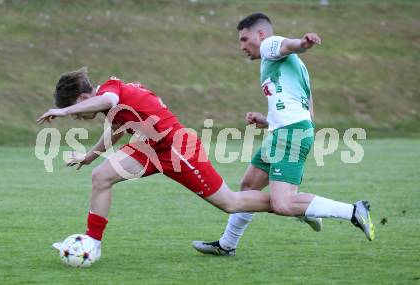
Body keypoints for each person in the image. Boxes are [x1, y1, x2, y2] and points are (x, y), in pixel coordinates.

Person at [37, 67, 276, 261]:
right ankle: (93, 243)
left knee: (230, 203)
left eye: (78, 110)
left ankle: (292, 203)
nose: (78, 116)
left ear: (83, 98)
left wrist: (64, 111)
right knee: (101, 176)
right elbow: (117, 128)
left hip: (176, 148)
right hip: (150, 147)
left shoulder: (110, 91)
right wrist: (90, 156)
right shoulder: (112, 103)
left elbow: (108, 99)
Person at [192, 13, 375, 256]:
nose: (242, 46)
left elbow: (289, 44)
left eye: (244, 39)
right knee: (249, 186)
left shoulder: (269, 45)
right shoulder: (290, 67)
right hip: (284, 132)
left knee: (283, 204)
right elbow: (304, 112)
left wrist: (303, 43)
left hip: (290, 134)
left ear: (260, 34)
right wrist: (267, 121)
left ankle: (352, 211)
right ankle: (227, 245)